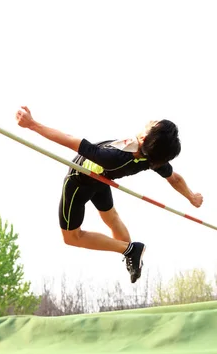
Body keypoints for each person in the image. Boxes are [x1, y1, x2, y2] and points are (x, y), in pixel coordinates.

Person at [15, 106, 203, 283]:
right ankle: (131, 253)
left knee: (72, 237)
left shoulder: (112, 157)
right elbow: (175, 179)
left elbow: (69, 139)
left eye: (154, 125)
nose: (151, 121)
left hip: (80, 181)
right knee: (112, 220)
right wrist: (191, 197)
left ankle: (131, 249)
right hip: (101, 179)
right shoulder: (152, 159)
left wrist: (32, 124)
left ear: (145, 139)